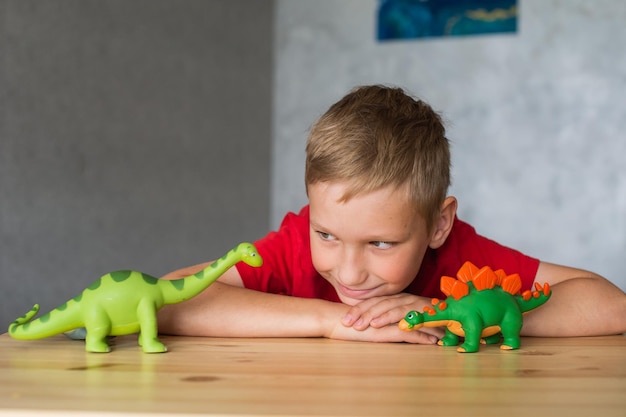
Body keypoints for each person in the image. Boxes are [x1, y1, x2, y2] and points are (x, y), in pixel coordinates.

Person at [158, 85, 626, 343]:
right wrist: (331, 322)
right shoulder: (296, 242)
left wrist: (459, 316)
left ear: (438, 225)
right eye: (326, 234)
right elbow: (167, 299)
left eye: (380, 243)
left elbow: (610, 305)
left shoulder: (460, 256)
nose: (348, 270)